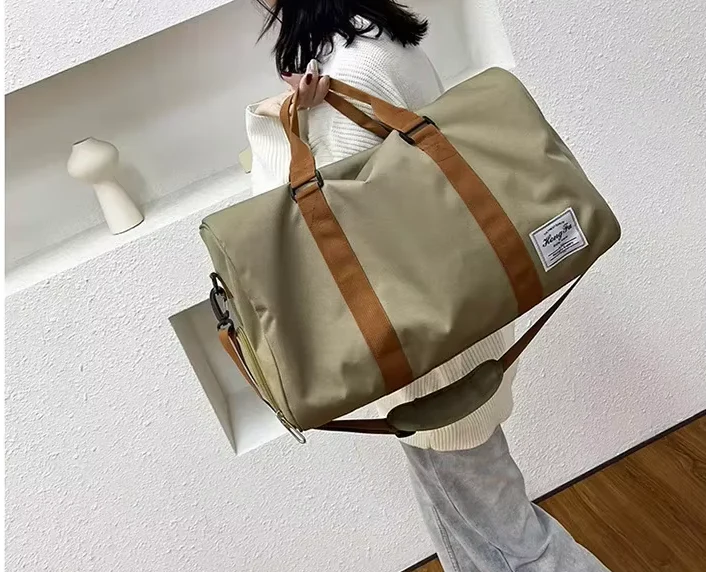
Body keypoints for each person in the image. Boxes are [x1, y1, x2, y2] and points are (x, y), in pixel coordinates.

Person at [247, 1, 609, 570]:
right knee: (465, 529)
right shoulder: (381, 38)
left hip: (430, 353)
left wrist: (276, 124)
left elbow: (284, 219)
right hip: (458, 318)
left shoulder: (345, 74)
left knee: (514, 542)